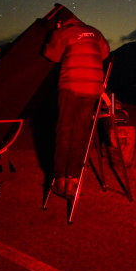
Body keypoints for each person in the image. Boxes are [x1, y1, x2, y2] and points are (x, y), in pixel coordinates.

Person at [43, 15, 110, 198]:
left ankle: (61, 179)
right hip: (92, 88)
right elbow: (104, 54)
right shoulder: (95, 32)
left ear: (61, 22)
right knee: (80, 132)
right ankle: (73, 179)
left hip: (71, 87)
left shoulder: (62, 32)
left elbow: (51, 56)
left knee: (64, 130)